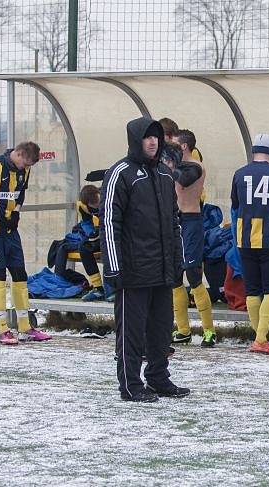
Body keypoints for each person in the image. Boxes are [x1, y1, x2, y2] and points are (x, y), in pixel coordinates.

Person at [101, 117, 189, 402]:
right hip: (133, 272)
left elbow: (174, 223)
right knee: (131, 333)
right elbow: (109, 223)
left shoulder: (165, 175)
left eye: (156, 137)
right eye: (146, 138)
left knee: (162, 330)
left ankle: (158, 378)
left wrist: (178, 262)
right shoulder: (120, 174)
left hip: (162, 270)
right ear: (135, 141)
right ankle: (130, 384)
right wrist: (113, 267)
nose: (152, 142)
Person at [0, 141, 51, 345]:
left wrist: (15, 213)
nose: (27, 168)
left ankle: (25, 327)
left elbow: (21, 193)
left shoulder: (24, 170)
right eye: (26, 163)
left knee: (20, 274)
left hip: (10, 231)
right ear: (19, 154)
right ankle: (3, 329)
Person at [231, 133, 269, 355]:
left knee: (252, 289)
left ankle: (259, 338)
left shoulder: (239, 173)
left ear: (253, 150)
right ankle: (260, 338)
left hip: (244, 237)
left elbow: (236, 204)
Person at [167, 130, 217, 348]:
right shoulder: (173, 165)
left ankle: (208, 330)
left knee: (194, 273)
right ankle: (183, 329)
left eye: (175, 144)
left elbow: (184, 179)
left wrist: (167, 167)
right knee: (175, 277)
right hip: (174, 220)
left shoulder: (195, 166)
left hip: (191, 220)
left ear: (184, 146)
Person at [76, 184, 112, 302]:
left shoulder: (110, 197)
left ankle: (112, 289)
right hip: (101, 232)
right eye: (94, 205)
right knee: (84, 247)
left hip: (115, 233)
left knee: (107, 249)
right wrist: (91, 233)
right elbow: (86, 222)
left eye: (99, 201)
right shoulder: (82, 206)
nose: (98, 205)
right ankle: (98, 288)